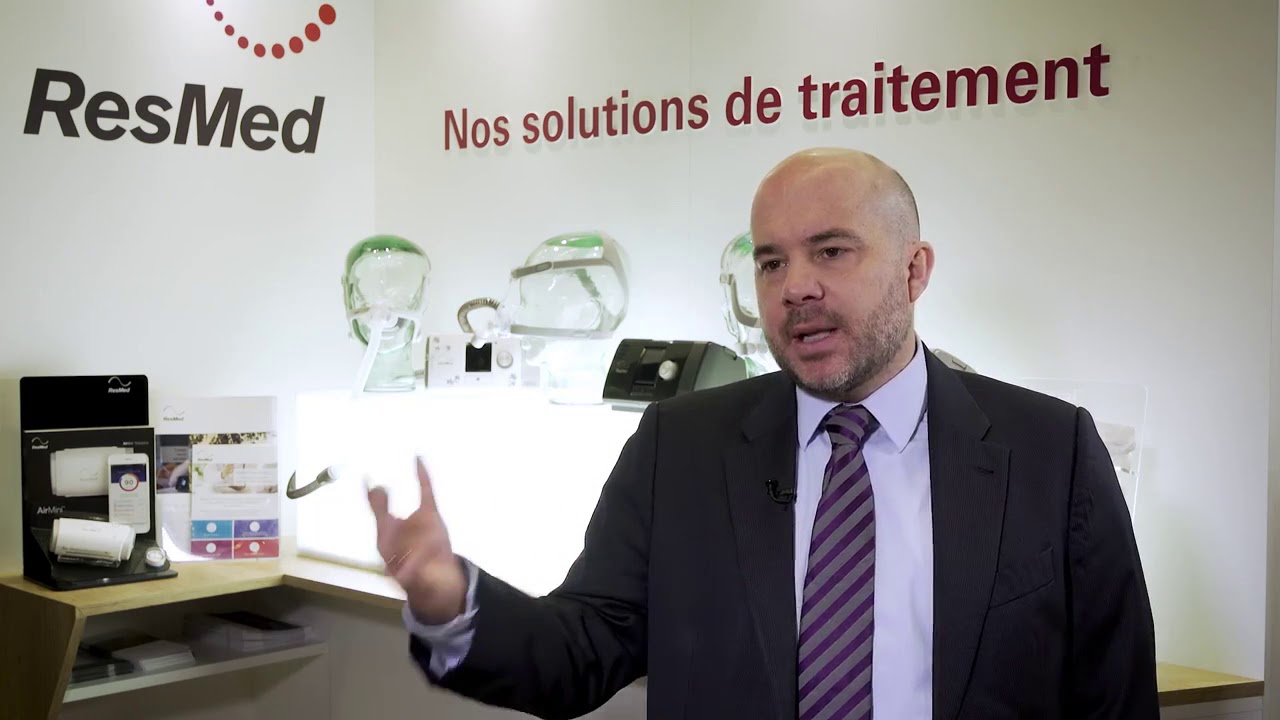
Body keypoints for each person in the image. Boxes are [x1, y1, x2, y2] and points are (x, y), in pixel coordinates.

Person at [366, 147, 1160, 719]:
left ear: (915, 270)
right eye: (772, 263)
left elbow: (1113, 696)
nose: (795, 288)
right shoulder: (680, 448)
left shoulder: (1050, 452)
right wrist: (450, 600)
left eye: (831, 252)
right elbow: (583, 648)